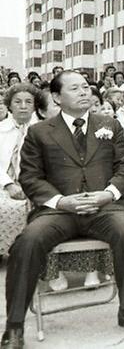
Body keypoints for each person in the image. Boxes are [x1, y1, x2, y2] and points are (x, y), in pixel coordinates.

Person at [2, 71, 124, 349]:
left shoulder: (110, 124)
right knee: (27, 242)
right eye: (75, 88)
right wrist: (61, 201)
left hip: (104, 208)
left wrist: (108, 194)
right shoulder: (39, 132)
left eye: (85, 87)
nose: (84, 92)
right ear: (57, 98)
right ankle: (15, 325)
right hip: (58, 211)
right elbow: (30, 178)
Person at [0, 84, 45, 258]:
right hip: (4, 183)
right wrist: (9, 184)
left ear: (35, 106)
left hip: (32, 184)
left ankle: (31, 255)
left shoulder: (42, 130)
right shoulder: (1, 130)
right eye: (17, 102)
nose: (23, 106)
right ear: (9, 105)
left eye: (28, 102)